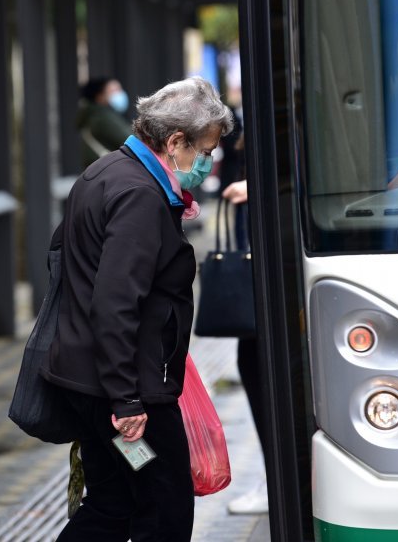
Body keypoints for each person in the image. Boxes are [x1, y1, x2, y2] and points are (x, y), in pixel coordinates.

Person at [42, 76, 234, 541]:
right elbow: (115, 303)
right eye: (204, 151)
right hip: (130, 394)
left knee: (113, 504)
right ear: (174, 142)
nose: (207, 162)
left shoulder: (106, 171)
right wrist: (126, 402)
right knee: (163, 507)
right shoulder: (140, 198)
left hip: (95, 382)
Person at [221, 177, 270, 515]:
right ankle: (274, 473)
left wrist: (260, 184)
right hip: (252, 261)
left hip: (270, 262)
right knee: (251, 362)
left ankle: (277, 475)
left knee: (260, 365)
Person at [77, 76, 133, 169]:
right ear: (100, 96)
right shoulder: (103, 117)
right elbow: (131, 140)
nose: (119, 94)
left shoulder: (91, 114)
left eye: (120, 89)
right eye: (114, 91)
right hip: (110, 170)